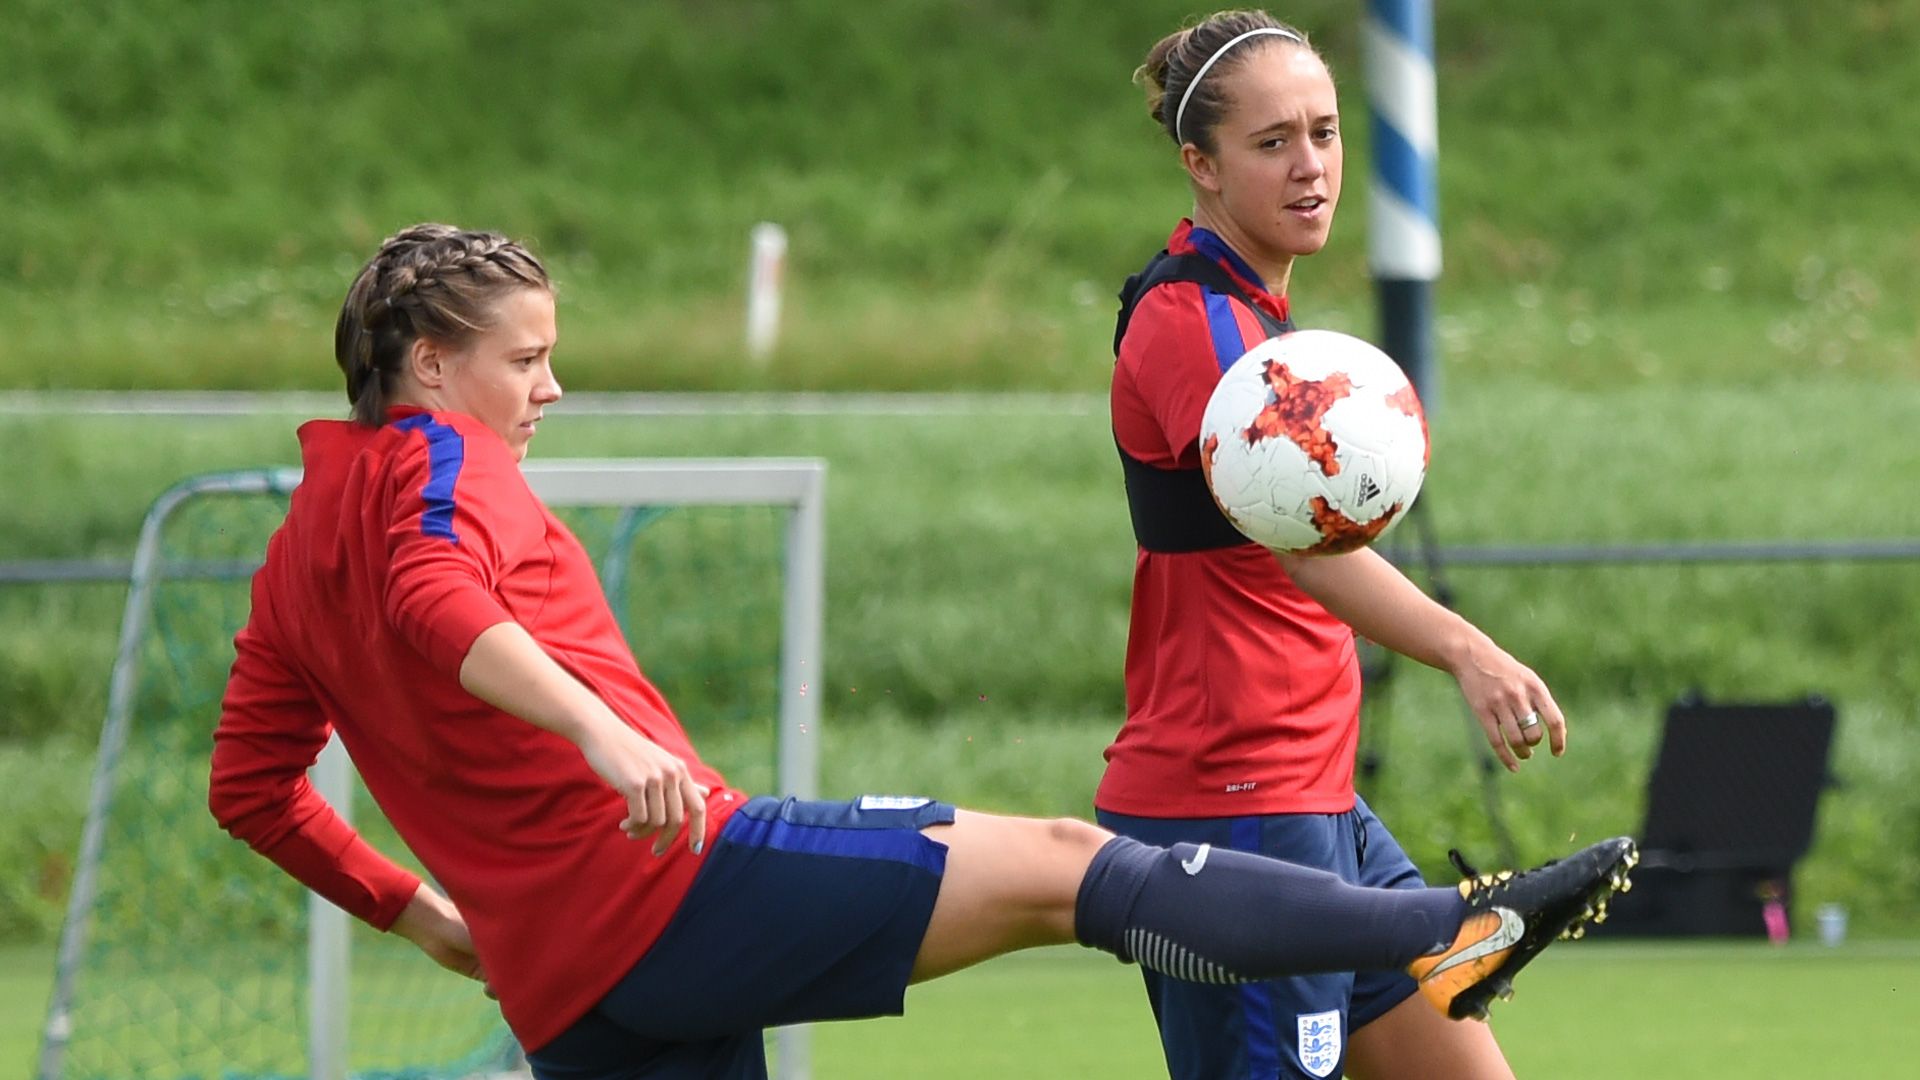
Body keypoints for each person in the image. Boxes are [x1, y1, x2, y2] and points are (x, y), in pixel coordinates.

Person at [208, 223, 1632, 1080]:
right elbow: (436, 600)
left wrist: (423, 919)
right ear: (431, 367)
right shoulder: (435, 464)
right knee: (1072, 867)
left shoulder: (292, 558)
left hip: (567, 994)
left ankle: (1434, 930)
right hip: (680, 888)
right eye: (526, 360)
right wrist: (602, 731)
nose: (552, 387)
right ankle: (1439, 929)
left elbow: (249, 790)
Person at [1102, 11, 1586, 1080]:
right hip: (1235, 806)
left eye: (1323, 132)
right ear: (1201, 165)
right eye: (1272, 142)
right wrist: (1467, 650)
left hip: (1314, 799)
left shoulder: (1261, 319)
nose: (1311, 165)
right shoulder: (1196, 323)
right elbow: (1305, 549)